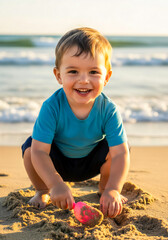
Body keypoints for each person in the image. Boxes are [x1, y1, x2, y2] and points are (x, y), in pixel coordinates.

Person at [21, 27, 130, 218]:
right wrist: (55, 184)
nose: (84, 80)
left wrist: (114, 188)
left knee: (120, 149)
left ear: (106, 77)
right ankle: (42, 191)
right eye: (73, 71)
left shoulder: (108, 109)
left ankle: (105, 189)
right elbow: (40, 152)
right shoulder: (51, 107)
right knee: (31, 149)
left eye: (94, 72)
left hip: (91, 162)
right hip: (56, 163)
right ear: (58, 76)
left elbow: (121, 154)